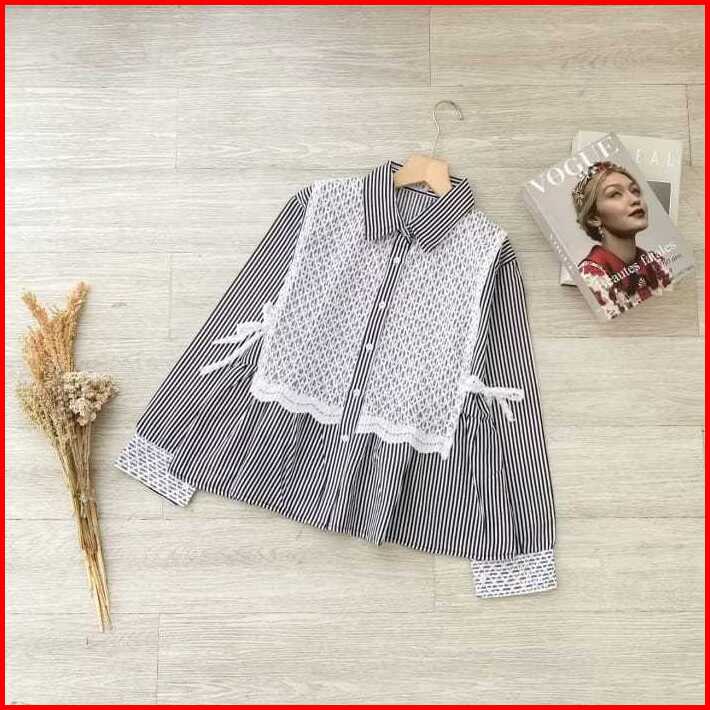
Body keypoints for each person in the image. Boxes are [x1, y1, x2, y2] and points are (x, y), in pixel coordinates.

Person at [571, 160, 673, 319]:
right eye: (615, 194)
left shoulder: (656, 263)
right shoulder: (591, 276)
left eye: (635, 191)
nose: (635, 200)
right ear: (594, 218)